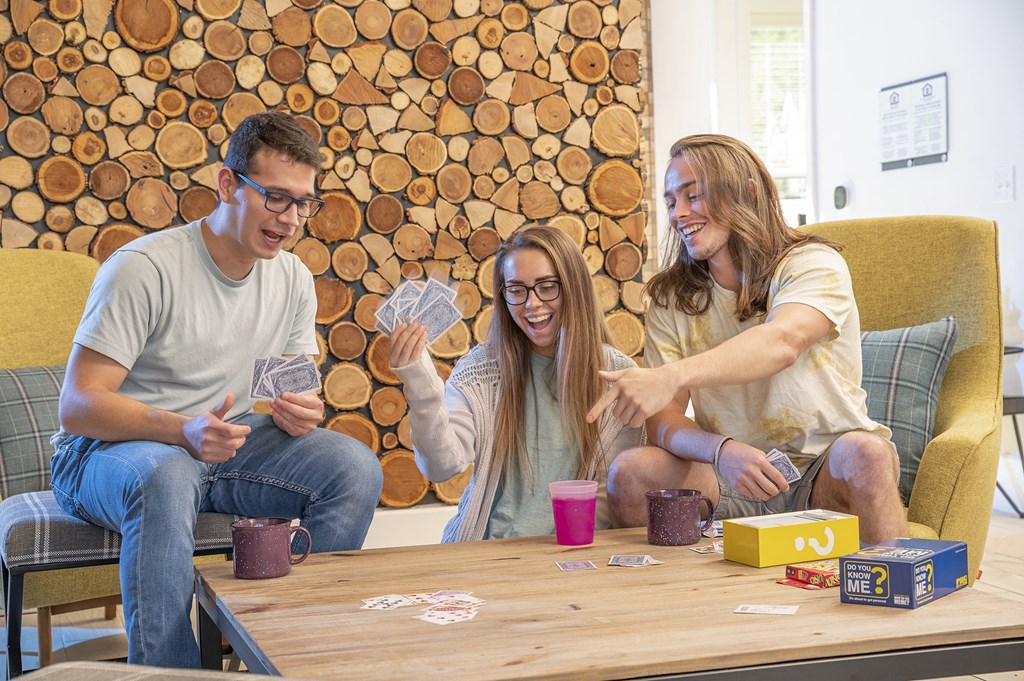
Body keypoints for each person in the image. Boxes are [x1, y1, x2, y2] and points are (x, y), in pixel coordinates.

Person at [50, 111, 383, 668]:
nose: (292, 218)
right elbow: (78, 406)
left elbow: (294, 386)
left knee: (354, 468)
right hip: (102, 456)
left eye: (304, 202)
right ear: (228, 184)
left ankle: (288, 652)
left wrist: (301, 410)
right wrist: (180, 430)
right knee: (168, 472)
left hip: (224, 446)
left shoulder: (293, 278)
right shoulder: (144, 268)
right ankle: (168, 674)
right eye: (276, 198)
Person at [587, 134, 906, 544]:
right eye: (671, 202)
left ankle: (899, 587)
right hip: (728, 473)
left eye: (693, 196)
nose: (679, 214)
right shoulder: (672, 297)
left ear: (747, 192)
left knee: (868, 453)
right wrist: (723, 451)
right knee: (631, 471)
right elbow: (665, 423)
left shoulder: (813, 264)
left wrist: (671, 375)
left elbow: (783, 341)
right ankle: (671, 604)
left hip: (822, 470)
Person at [387, 224, 643, 542]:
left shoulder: (618, 376)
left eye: (547, 287)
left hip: (573, 554)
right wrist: (421, 385)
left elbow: (609, 501)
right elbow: (441, 466)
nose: (531, 304)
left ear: (574, 287)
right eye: (516, 290)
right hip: (485, 553)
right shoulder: (479, 372)